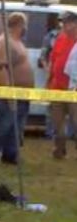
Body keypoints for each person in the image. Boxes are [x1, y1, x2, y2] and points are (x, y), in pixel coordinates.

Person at [0, 12, 34, 165]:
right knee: (2, 125)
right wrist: (8, 93)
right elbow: (1, 68)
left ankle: (10, 155)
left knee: (15, 127)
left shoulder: (17, 41)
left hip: (21, 93)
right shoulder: (5, 42)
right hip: (7, 92)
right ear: (20, 25)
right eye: (25, 25)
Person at [48, 12, 77, 159]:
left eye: (67, 22)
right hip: (57, 88)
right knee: (58, 125)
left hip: (74, 90)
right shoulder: (60, 39)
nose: (64, 26)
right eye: (62, 23)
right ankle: (59, 150)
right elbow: (53, 60)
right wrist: (49, 81)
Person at [39, 14, 61, 139]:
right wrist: (49, 71)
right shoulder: (50, 37)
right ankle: (50, 133)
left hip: (70, 77)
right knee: (52, 106)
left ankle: (68, 134)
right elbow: (43, 56)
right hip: (54, 77)